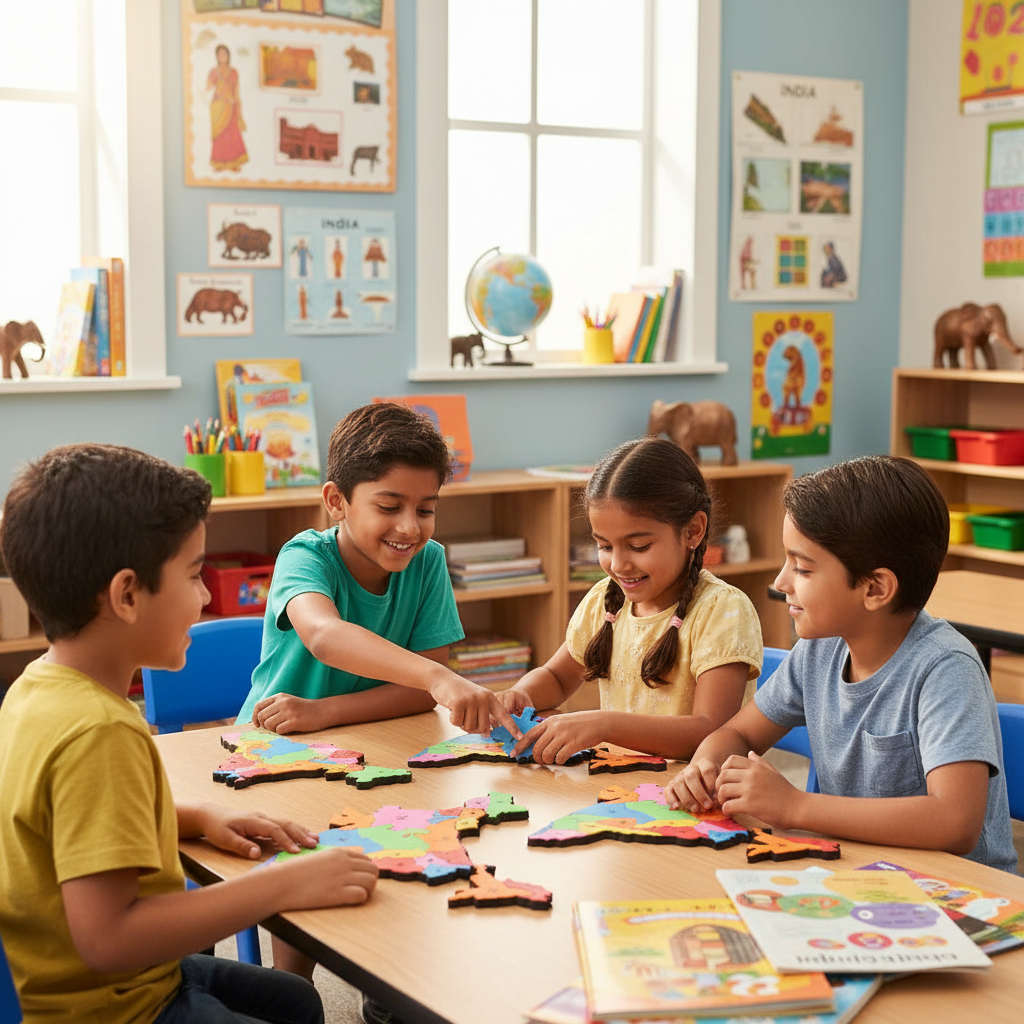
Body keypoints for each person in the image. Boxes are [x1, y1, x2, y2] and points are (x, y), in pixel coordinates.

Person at [0, 443, 379, 1024]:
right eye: (195, 574)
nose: (205, 598)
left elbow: (62, 823)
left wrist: (197, 818)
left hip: (113, 981)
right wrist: (282, 887)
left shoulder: (34, 691)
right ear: (127, 594)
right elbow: (108, 939)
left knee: (297, 999)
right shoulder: (100, 731)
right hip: (113, 1005)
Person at [665, 455, 1018, 874]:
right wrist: (705, 766)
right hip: (857, 876)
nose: (780, 582)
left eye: (802, 567)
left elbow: (955, 822)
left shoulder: (945, 669)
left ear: (875, 588)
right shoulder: (820, 650)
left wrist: (795, 805)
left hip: (957, 897)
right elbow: (739, 732)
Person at [238, 401, 520, 740]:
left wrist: (324, 711)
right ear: (336, 502)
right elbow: (324, 636)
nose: (410, 528)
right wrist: (438, 677)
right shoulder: (304, 557)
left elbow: (418, 693)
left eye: (426, 510)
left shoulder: (428, 560)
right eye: (389, 507)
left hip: (361, 736)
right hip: (272, 738)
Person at [498, 436, 763, 764]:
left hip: (694, 796)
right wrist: (521, 694)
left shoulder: (722, 610)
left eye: (638, 546)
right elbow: (556, 677)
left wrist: (604, 725)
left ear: (693, 531)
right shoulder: (605, 601)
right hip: (623, 791)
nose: (619, 565)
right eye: (605, 546)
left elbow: (711, 732)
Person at [207, 44, 248, 173]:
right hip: (218, 107)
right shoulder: (214, 72)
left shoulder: (234, 72)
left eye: (225, 54)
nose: (222, 56)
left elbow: (236, 90)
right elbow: (207, 88)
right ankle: (219, 164)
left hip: (231, 106)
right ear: (217, 57)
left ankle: (233, 163)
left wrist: (238, 107)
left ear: (228, 56)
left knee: (232, 134)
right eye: (220, 54)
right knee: (219, 136)